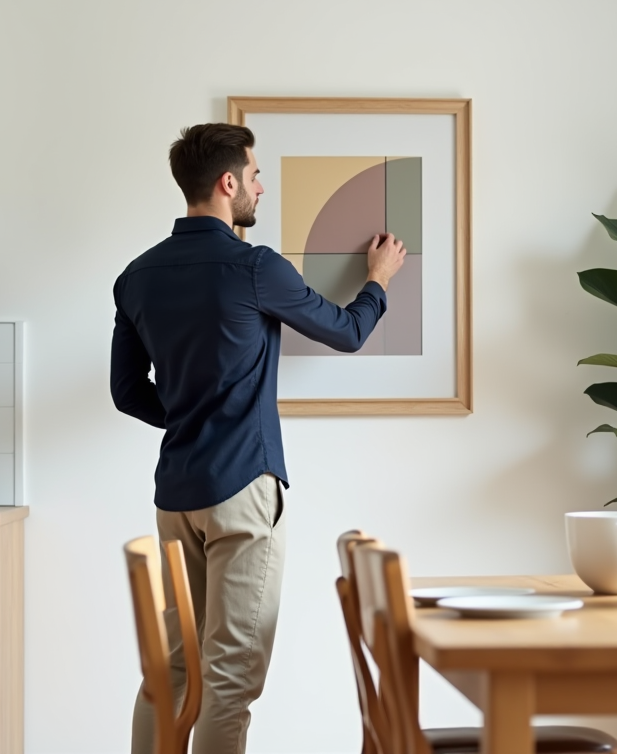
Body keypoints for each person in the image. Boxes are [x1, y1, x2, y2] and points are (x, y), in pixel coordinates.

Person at [110, 122, 405, 754]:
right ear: (228, 183)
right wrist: (378, 280)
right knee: (230, 679)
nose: (261, 187)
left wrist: (189, 416)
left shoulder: (136, 276)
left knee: (173, 670)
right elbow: (348, 332)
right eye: (255, 175)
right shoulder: (254, 267)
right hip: (242, 488)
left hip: (176, 496)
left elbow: (128, 392)